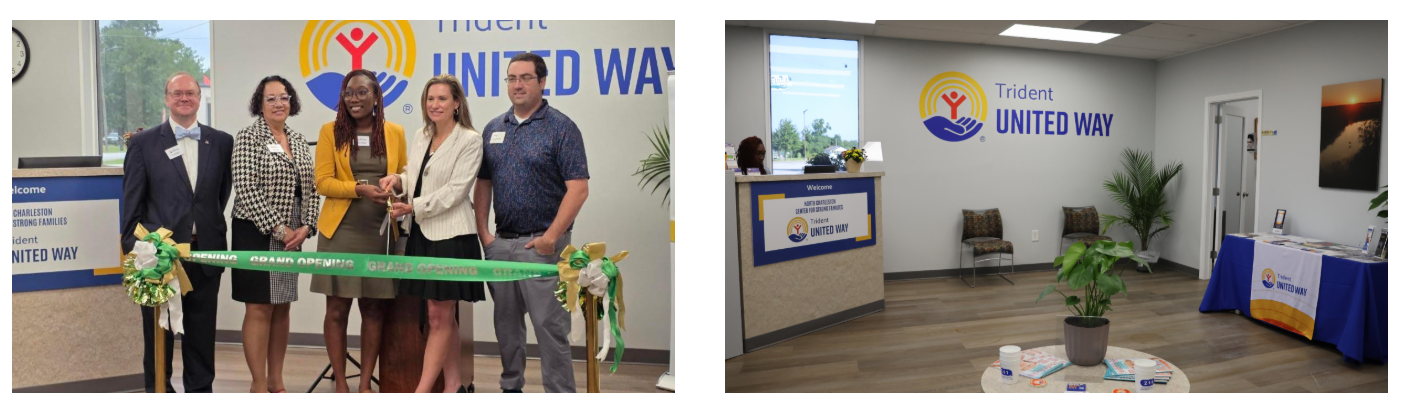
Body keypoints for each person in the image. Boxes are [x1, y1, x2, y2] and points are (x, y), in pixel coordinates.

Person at [475, 52, 589, 393]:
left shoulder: (561, 127)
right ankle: (511, 389)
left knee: (550, 328)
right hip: (502, 245)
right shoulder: (494, 128)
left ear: (542, 82)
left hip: (542, 247)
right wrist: (485, 234)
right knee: (506, 327)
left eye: (525, 78)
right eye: (512, 78)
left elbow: (579, 189)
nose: (518, 84)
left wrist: (550, 238)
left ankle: (559, 396)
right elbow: (483, 183)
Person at [120, 72, 233, 393]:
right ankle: (159, 396)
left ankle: (200, 396)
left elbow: (218, 196)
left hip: (205, 253)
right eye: (177, 93)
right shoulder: (142, 144)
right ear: (166, 98)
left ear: (199, 97)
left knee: (201, 337)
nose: (185, 98)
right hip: (160, 259)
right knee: (159, 338)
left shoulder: (222, 141)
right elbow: (132, 202)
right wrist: (137, 250)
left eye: (191, 93)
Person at [379, 74, 485, 393]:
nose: (434, 105)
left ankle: (421, 393)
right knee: (440, 314)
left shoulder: (470, 139)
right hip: (423, 234)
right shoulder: (421, 134)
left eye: (442, 99)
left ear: (456, 103)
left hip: (452, 236)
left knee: (439, 316)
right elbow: (415, 173)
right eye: (430, 99)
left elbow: (456, 190)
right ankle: (452, 386)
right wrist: (398, 180)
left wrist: (412, 207)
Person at [312, 69, 404, 393]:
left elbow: (403, 173)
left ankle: (365, 384)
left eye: (362, 92)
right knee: (337, 308)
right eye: (349, 92)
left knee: (374, 308)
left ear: (377, 96)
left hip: (379, 233)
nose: (354, 98)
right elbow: (322, 182)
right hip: (340, 231)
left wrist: (396, 183)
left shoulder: (394, 132)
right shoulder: (330, 132)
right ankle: (341, 382)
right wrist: (360, 188)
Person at [229, 75, 319, 393]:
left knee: (282, 305)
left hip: (294, 231)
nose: (279, 103)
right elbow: (247, 188)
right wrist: (280, 229)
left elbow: (311, 188)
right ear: (260, 104)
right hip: (255, 229)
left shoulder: (296, 138)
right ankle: (257, 385)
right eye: (271, 98)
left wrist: (308, 226)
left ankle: (276, 381)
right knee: (259, 306)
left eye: (283, 97)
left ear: (291, 101)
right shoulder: (249, 137)